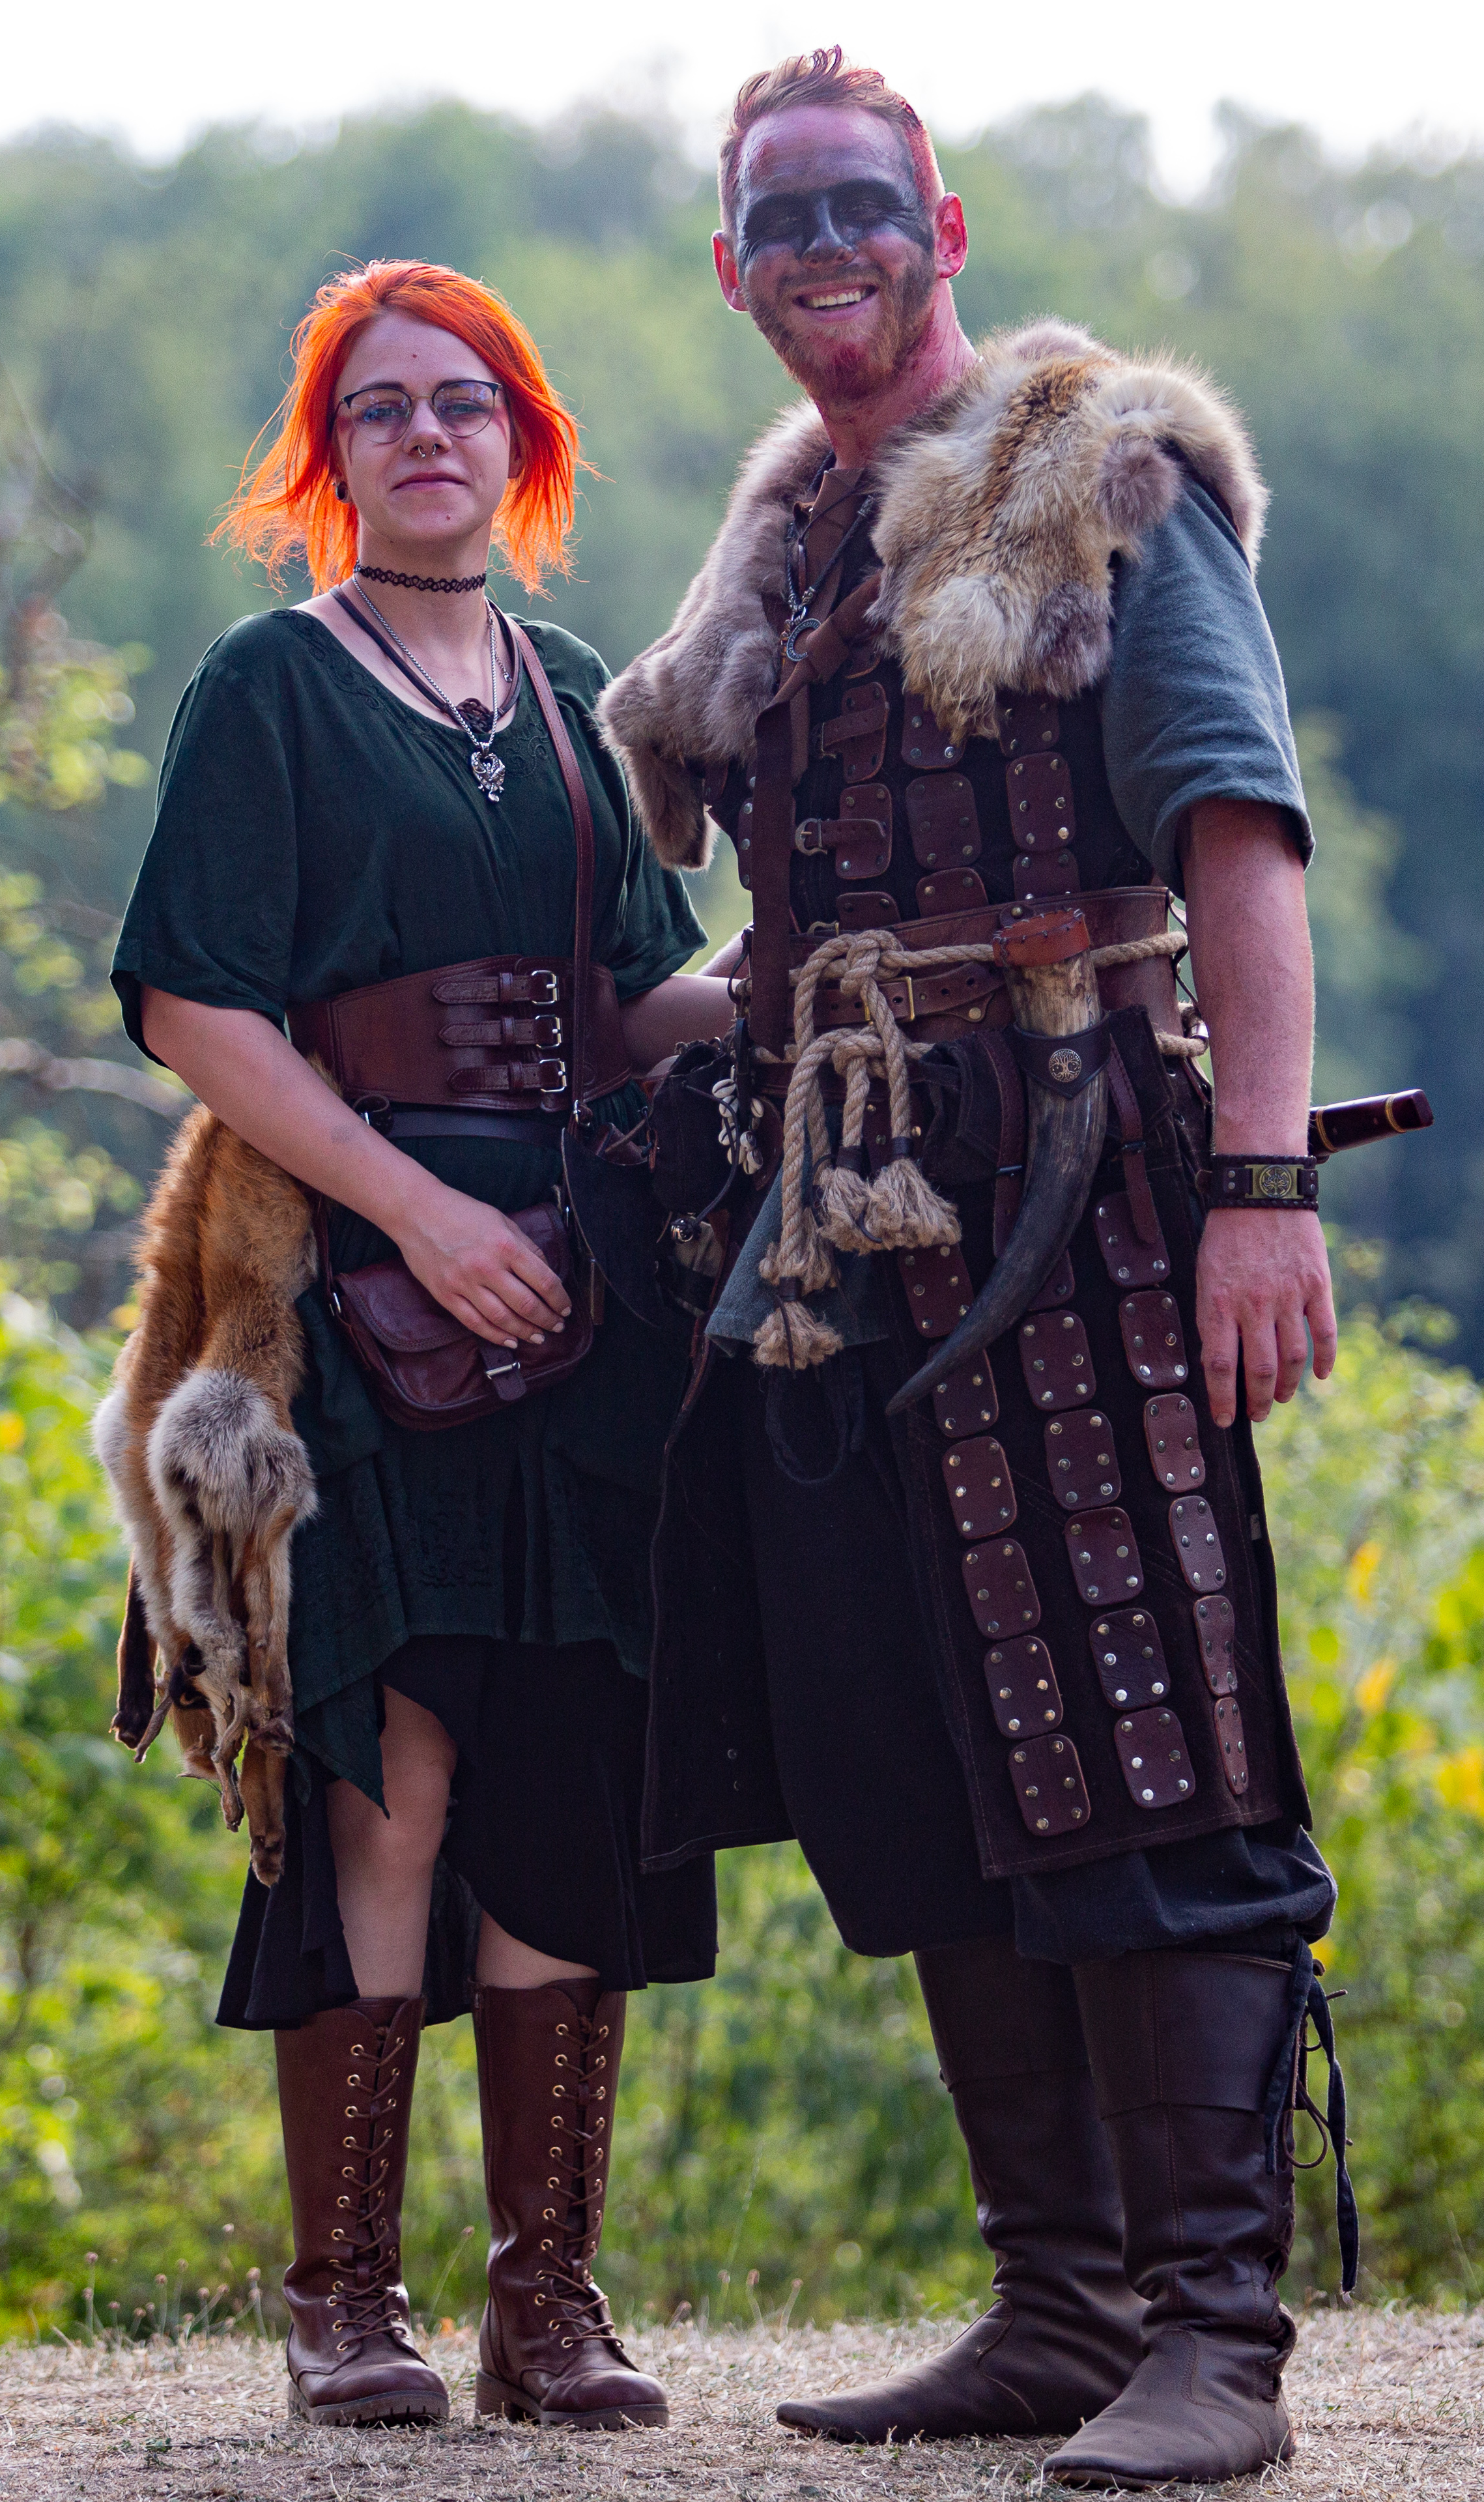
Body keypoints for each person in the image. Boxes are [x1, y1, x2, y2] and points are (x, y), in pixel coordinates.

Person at [600, 51, 1354, 2488]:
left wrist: (1265, 1192)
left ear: (938, 223)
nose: (821, 252)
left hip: (1080, 1187)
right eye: (777, 222)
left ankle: (1213, 2336)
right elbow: (801, 939)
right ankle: (1060, 2303)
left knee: (1145, 1721)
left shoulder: (1097, 470)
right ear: (733, 269)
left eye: (859, 207)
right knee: (917, 1744)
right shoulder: (783, 555)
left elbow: (1234, 830)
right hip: (835, 1223)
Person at [104, 259, 732, 2434]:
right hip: (363, 1285)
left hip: (585, 1289)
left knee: (569, 1763)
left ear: (522, 441)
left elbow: (637, 1000)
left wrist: (824, 964)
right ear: (333, 457)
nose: (429, 436)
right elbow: (194, 1002)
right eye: (381, 409)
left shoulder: (571, 694)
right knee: (393, 1768)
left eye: (466, 403)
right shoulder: (270, 684)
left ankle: (545, 2305)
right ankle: (345, 2303)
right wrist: (421, 1215)